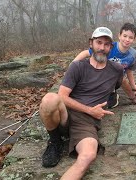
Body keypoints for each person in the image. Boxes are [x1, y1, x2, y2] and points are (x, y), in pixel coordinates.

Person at [39, 27, 124, 179]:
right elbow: (62, 96)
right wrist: (90, 110)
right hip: (66, 113)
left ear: (111, 48)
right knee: (49, 99)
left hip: (85, 124)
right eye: (98, 42)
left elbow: (119, 85)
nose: (102, 48)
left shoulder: (116, 70)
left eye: (106, 44)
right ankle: (55, 141)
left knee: (88, 155)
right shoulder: (78, 66)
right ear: (91, 43)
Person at [74, 23, 136, 108]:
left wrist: (133, 86)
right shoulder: (109, 47)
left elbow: (129, 70)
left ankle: (111, 94)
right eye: (125, 36)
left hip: (115, 80)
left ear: (134, 39)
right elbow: (86, 53)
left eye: (131, 37)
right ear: (119, 36)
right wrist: (73, 65)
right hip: (99, 75)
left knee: (119, 78)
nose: (127, 39)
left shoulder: (133, 54)